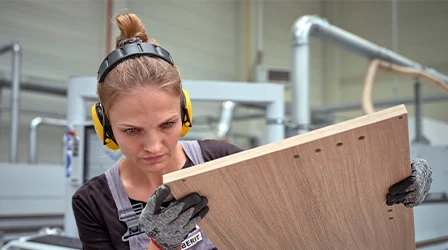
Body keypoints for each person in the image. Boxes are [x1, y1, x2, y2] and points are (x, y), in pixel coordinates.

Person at [71, 13, 433, 250]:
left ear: (184, 113)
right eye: (132, 130)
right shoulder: (92, 203)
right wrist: (159, 246)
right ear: (105, 126)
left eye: (167, 124)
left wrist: (392, 180)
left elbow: (309, 207)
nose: (153, 145)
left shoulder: (222, 159)